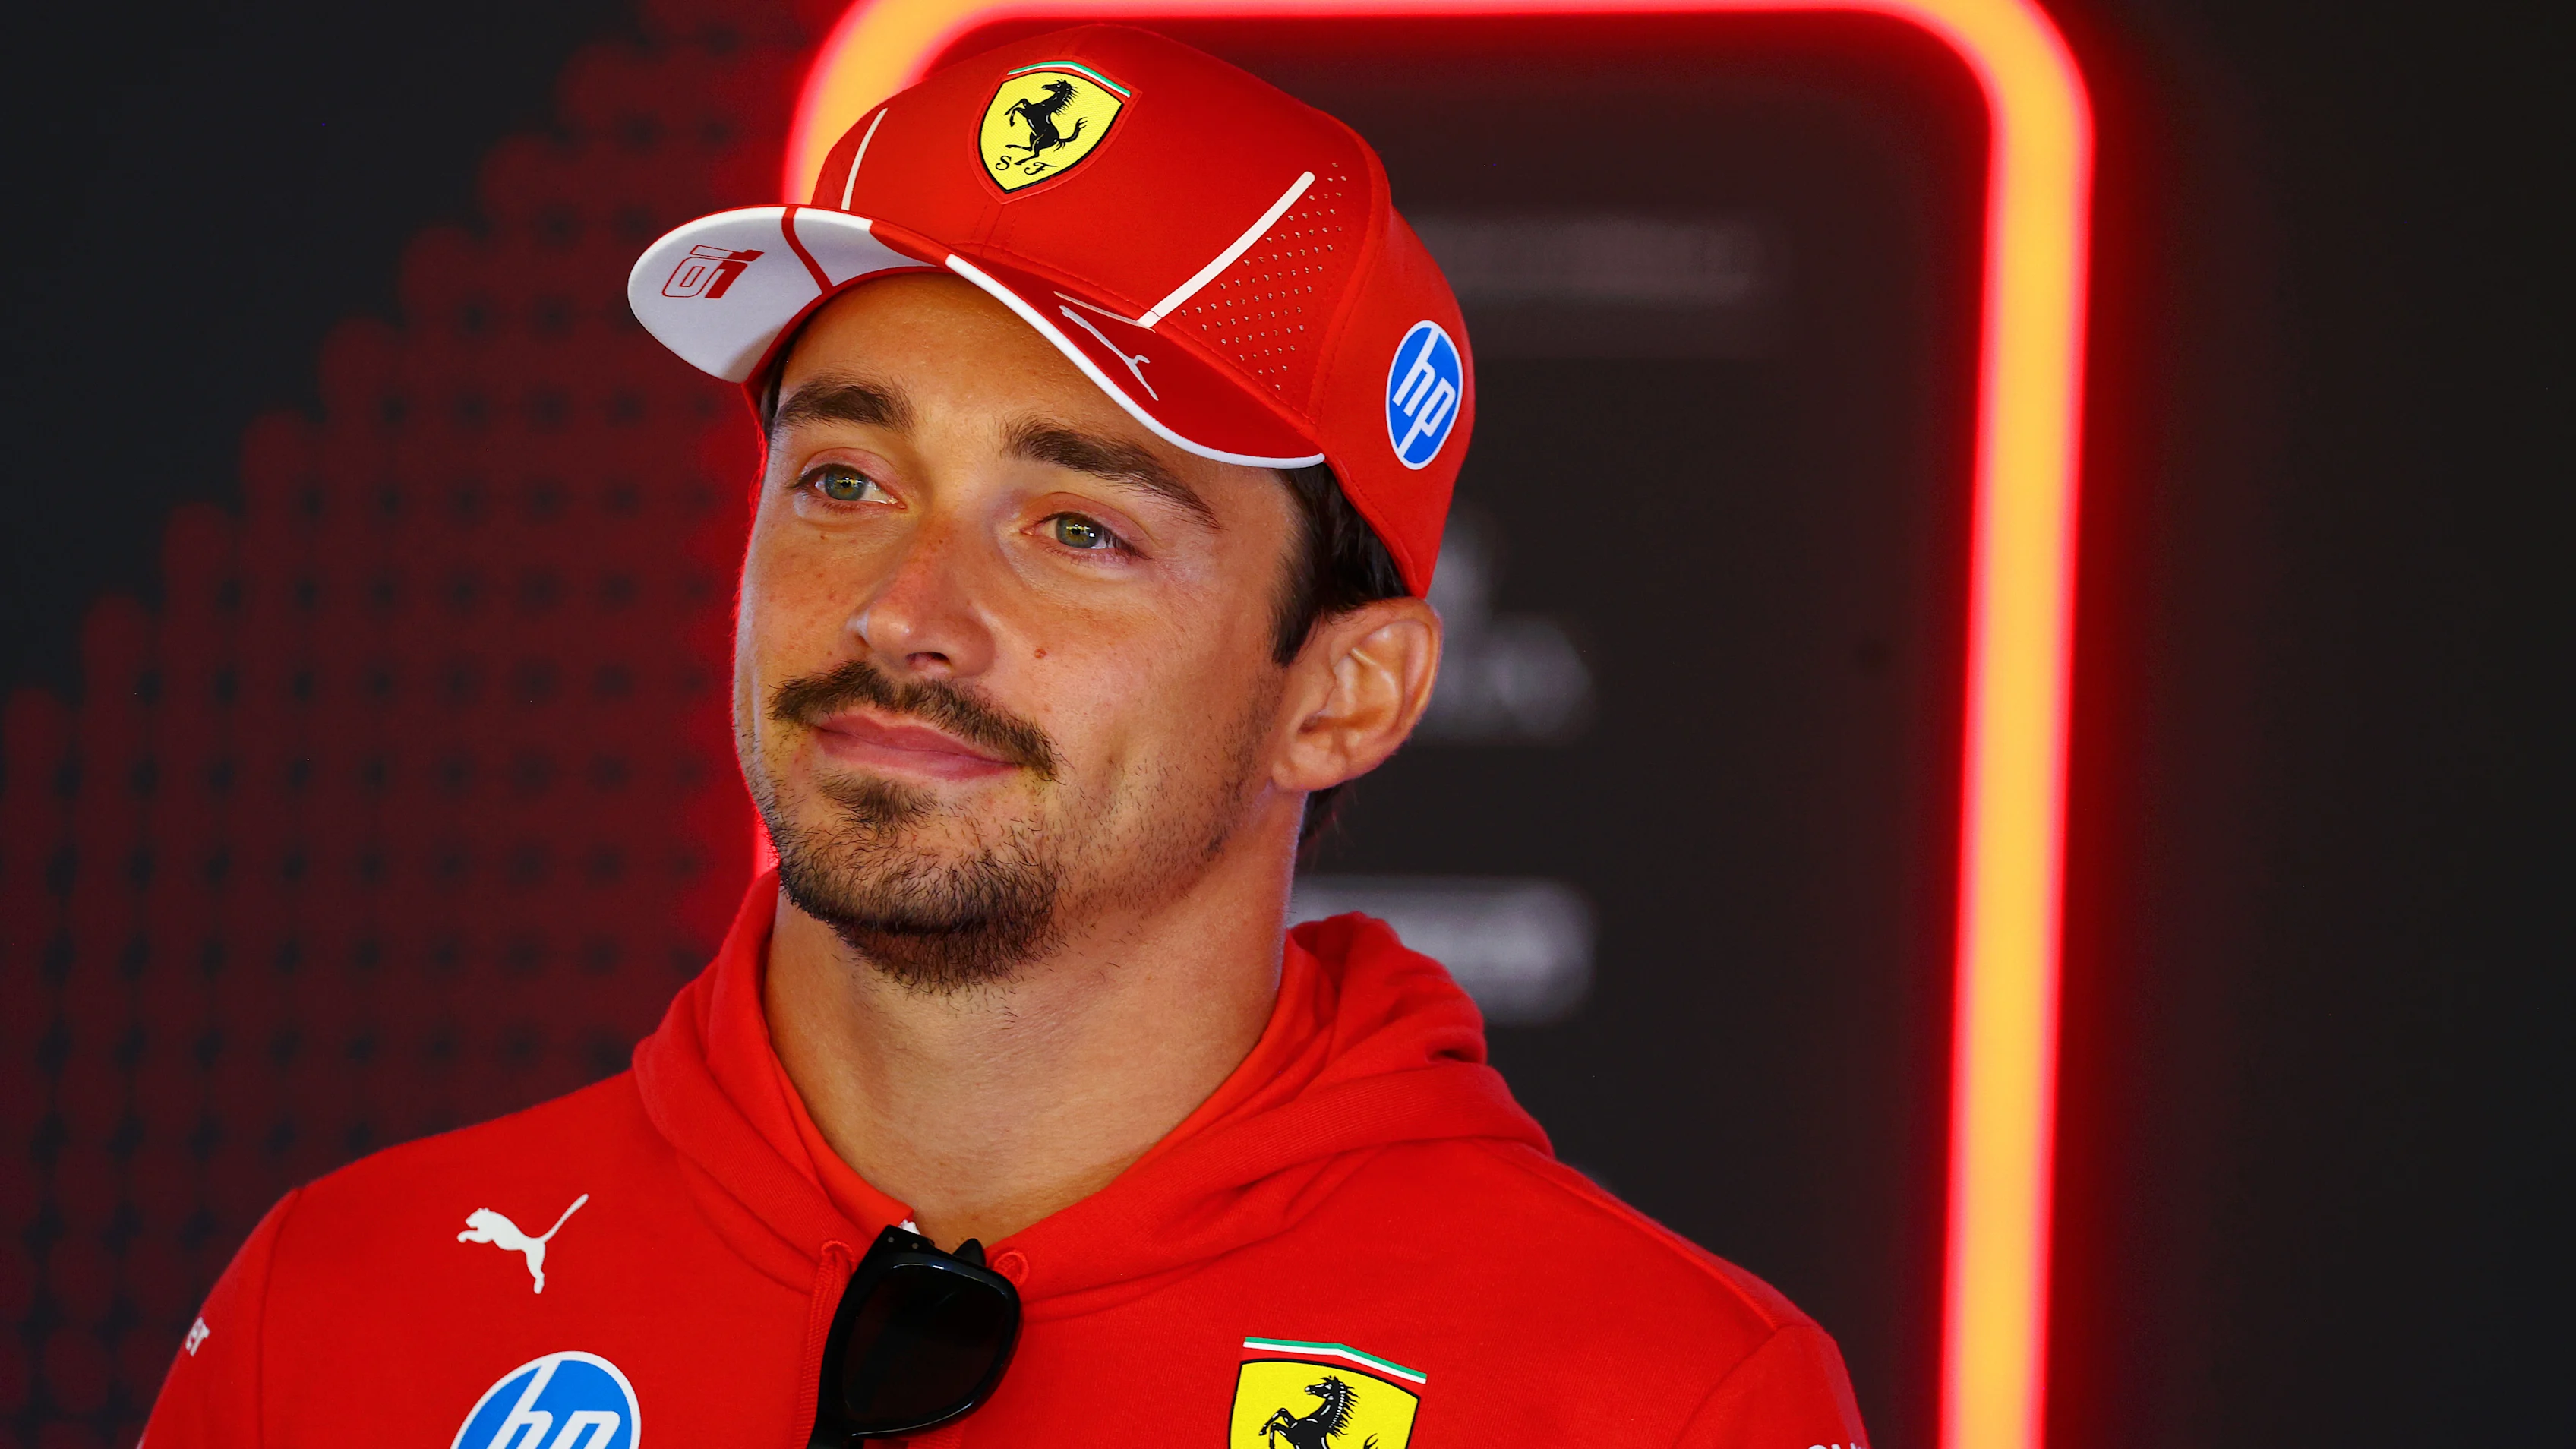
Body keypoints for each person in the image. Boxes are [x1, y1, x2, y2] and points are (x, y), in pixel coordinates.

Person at [144, 26, 1869, 1448]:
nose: (903, 609)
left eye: (1076, 528)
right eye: (844, 481)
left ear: (1343, 692)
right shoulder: (344, 1307)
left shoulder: (1654, 1398)